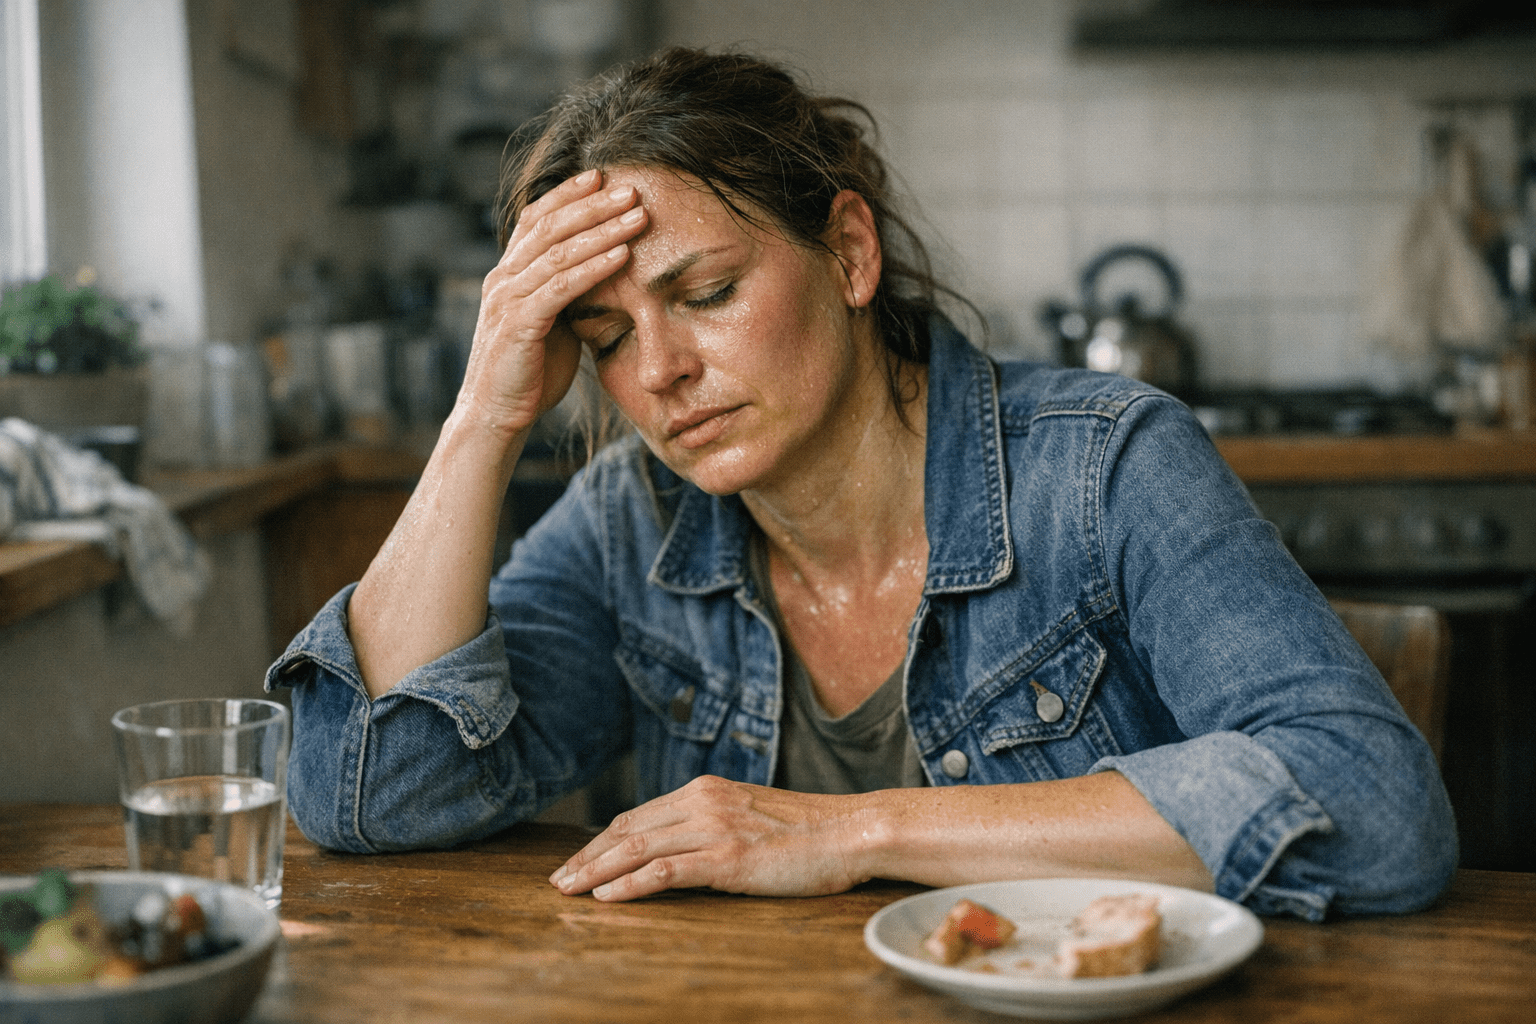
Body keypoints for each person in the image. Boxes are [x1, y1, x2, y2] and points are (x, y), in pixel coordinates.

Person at [266, 47, 1457, 919]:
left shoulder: (1103, 466)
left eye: (707, 292)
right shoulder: (633, 519)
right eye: (607, 336)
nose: (665, 370)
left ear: (848, 250)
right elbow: (370, 794)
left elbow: (1381, 810)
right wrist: (483, 415)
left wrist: (849, 830)